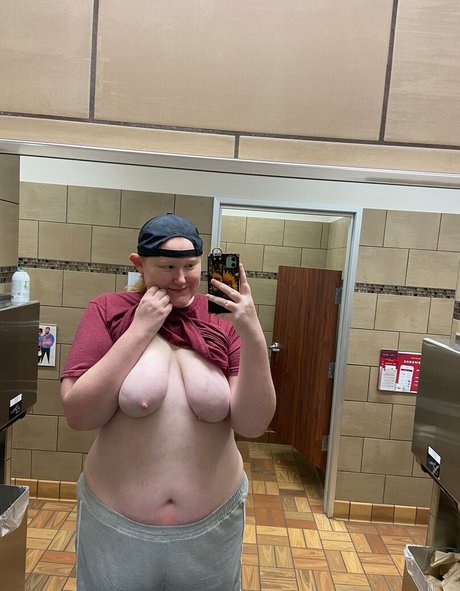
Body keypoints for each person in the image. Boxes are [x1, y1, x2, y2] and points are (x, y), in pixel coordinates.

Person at [60, 212, 276, 591]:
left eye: (190, 266)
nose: (180, 279)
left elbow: (253, 424)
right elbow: (79, 413)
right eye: (167, 267)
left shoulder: (223, 321)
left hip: (212, 531)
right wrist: (141, 327)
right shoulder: (108, 310)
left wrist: (252, 331)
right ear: (138, 264)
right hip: (117, 528)